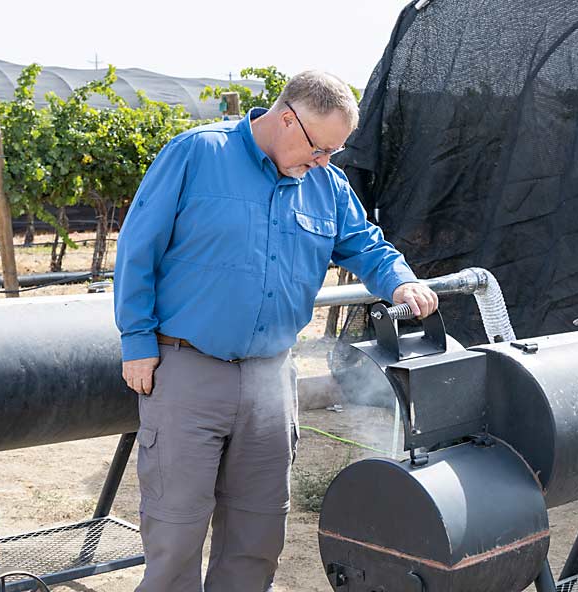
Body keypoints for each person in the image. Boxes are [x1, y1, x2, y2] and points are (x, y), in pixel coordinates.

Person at [113, 70, 438, 592]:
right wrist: (136, 341)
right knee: (176, 533)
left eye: (335, 152)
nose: (325, 162)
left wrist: (401, 282)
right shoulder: (198, 155)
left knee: (257, 535)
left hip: (270, 382)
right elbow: (137, 247)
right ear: (288, 118)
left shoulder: (325, 185)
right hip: (187, 372)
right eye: (320, 148)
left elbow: (366, 245)